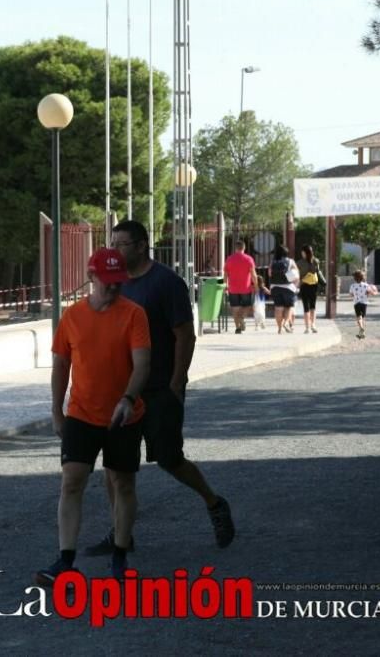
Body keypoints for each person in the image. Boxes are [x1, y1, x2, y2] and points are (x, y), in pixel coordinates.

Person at [82, 220, 236, 557]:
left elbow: (185, 334)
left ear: (141, 246)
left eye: (121, 243)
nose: (114, 249)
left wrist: (177, 382)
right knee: (115, 468)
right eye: (112, 243)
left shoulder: (166, 283)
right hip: (122, 393)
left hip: (158, 390)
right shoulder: (116, 284)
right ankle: (121, 534)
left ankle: (214, 503)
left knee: (170, 459)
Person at [36, 248, 151, 585]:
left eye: (119, 282)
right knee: (72, 481)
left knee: (122, 482)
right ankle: (65, 562)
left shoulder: (134, 314)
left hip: (124, 416)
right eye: (108, 282)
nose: (114, 288)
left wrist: (129, 398)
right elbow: (60, 365)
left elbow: (142, 363)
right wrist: (57, 411)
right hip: (82, 414)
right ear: (91, 277)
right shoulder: (72, 317)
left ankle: (119, 557)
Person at [223, 240, 258, 334]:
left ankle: (237, 327)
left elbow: (225, 274)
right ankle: (242, 318)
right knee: (248, 305)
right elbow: (254, 274)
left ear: (235, 248)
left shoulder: (229, 259)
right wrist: (256, 285)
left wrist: (225, 285)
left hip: (232, 288)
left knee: (235, 307)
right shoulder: (248, 259)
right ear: (244, 248)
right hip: (246, 288)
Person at [269, 245, 300, 334]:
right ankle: (286, 323)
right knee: (289, 307)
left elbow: (270, 274)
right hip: (288, 288)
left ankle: (279, 329)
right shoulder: (290, 261)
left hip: (275, 287)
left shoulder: (273, 262)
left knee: (278, 308)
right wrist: (296, 286)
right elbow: (297, 274)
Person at [296, 245, 323, 333]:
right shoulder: (316, 261)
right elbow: (316, 272)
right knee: (313, 306)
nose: (301, 253)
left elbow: (297, 275)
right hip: (314, 285)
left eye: (302, 252)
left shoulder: (299, 263)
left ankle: (307, 327)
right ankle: (313, 325)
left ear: (305, 252)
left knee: (306, 307)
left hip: (304, 285)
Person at [349, 270, 378, 339]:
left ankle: (361, 328)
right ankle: (362, 333)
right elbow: (371, 293)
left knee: (359, 317)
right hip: (364, 303)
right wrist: (376, 292)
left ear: (354, 278)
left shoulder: (352, 286)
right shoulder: (366, 285)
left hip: (356, 303)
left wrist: (355, 295)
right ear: (363, 278)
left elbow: (351, 294)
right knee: (363, 317)